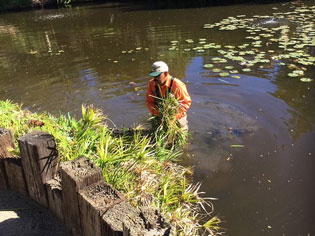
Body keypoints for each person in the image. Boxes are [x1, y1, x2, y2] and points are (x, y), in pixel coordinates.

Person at [146, 61, 191, 130]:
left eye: (157, 75)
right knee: (155, 135)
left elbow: (185, 103)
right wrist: (158, 113)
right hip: (158, 115)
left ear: (166, 73)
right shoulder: (151, 84)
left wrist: (172, 117)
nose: (154, 78)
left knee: (180, 137)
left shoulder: (177, 85)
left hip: (177, 117)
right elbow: (149, 102)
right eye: (153, 75)